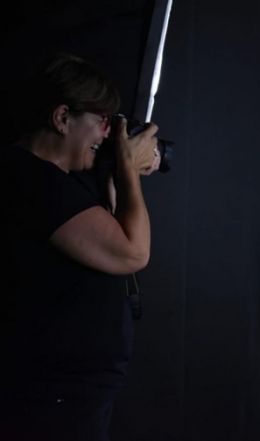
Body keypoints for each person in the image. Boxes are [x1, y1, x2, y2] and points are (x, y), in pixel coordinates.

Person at [0, 53, 160, 441]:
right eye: (103, 121)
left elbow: (112, 230)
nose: (107, 134)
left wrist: (120, 172)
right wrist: (127, 166)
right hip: (48, 398)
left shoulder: (58, 181)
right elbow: (132, 252)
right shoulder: (30, 178)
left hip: (65, 394)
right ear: (62, 118)